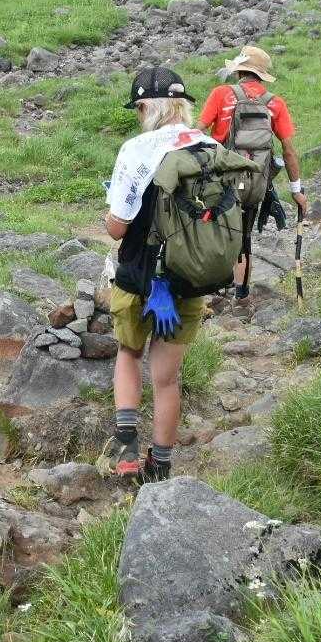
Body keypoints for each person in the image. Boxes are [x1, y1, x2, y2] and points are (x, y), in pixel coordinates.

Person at [103, 66, 215, 482]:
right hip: (189, 278)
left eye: (138, 109)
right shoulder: (209, 146)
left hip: (138, 275)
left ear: (146, 108)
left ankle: (127, 449)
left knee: (129, 354)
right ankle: (160, 467)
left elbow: (117, 228)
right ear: (182, 105)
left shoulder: (136, 149)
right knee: (167, 379)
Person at [199, 45, 307, 287]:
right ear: (261, 75)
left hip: (221, 180)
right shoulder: (275, 103)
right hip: (255, 182)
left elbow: (198, 132)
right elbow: (289, 151)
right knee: (244, 237)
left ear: (239, 71)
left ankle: (215, 286)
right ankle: (242, 292)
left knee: (217, 231)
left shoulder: (221, 94)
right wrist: (296, 191)